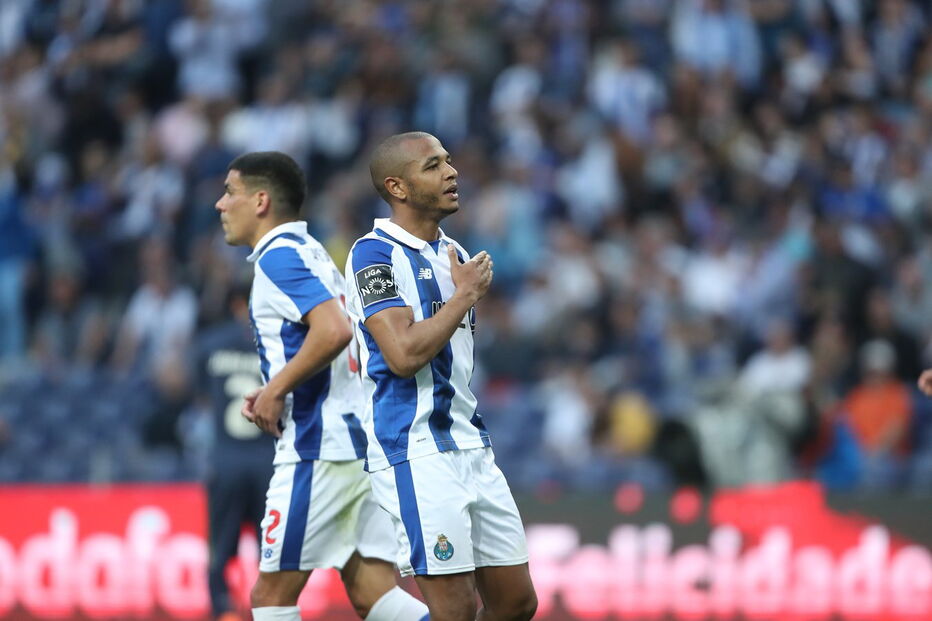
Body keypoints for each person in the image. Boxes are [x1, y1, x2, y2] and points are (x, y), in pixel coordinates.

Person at [214, 151, 428, 621]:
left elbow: (333, 330)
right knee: (374, 593)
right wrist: (279, 386)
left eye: (230, 192)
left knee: (270, 598)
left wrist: (275, 391)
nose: (220, 204)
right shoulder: (312, 252)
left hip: (319, 448)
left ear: (261, 200)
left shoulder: (278, 258)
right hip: (355, 443)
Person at [344, 132, 538, 621]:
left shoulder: (451, 251)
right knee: (454, 612)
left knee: (517, 603)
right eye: (433, 166)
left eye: (449, 162)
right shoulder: (373, 255)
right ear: (398, 187)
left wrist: (460, 295)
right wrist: (463, 297)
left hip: (471, 444)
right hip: (415, 452)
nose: (452, 173)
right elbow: (402, 354)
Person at [195, 283, 274, 621]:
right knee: (269, 552)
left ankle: (223, 609)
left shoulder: (210, 345)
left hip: (225, 460)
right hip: (267, 461)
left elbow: (200, 397)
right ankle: (270, 610)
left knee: (221, 547)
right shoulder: (276, 343)